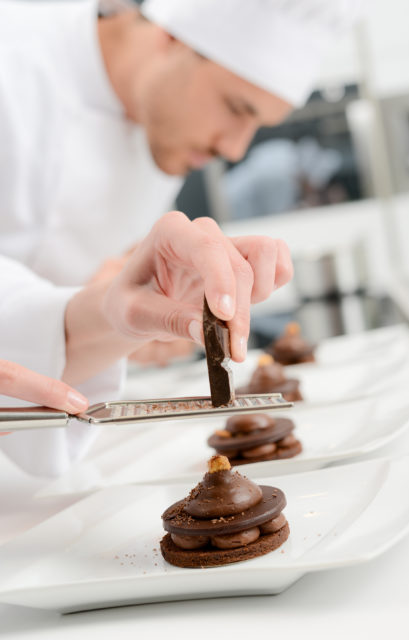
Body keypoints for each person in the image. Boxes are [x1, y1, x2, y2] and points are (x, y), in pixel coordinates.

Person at [0, 0, 364, 475]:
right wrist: (98, 309)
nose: (232, 148)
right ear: (171, 38)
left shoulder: (163, 126)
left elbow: (84, 304)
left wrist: (136, 323)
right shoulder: (16, 57)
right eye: (236, 107)